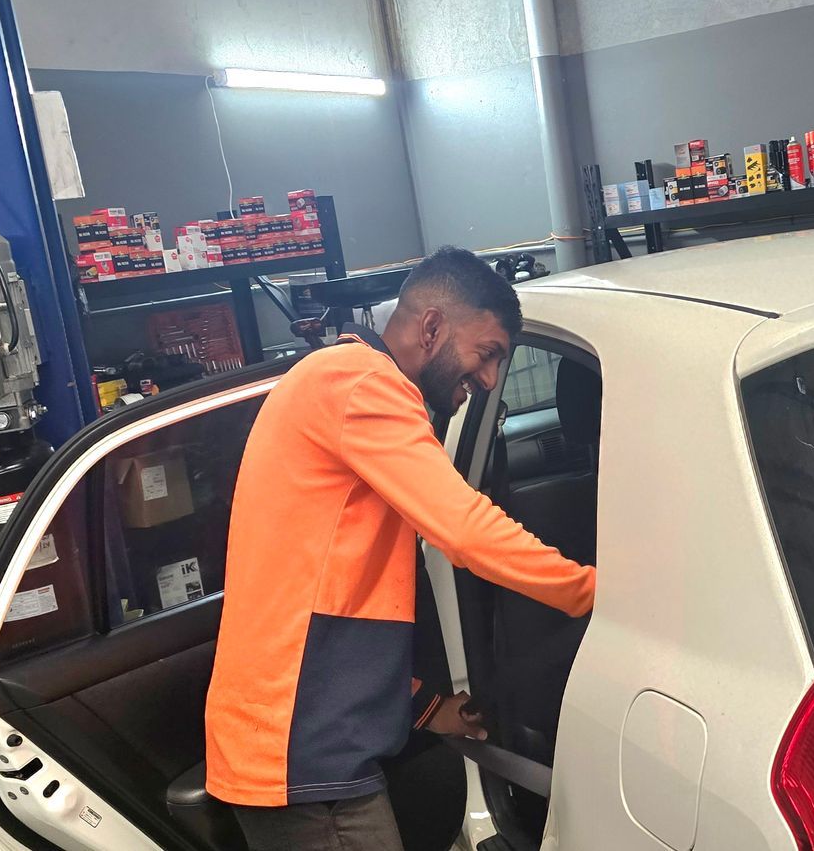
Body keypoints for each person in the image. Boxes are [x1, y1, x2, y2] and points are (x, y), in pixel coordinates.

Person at [204, 246, 596, 850]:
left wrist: (420, 704)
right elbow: (465, 530)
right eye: (486, 353)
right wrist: (595, 592)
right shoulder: (362, 383)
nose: (491, 378)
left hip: (302, 734)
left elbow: (344, 589)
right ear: (432, 326)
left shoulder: (343, 384)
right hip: (305, 754)